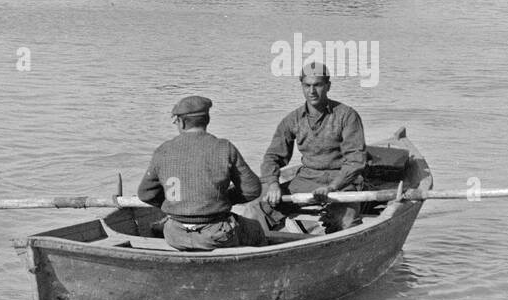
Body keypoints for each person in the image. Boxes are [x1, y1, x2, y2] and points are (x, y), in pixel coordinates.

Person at [137, 96, 267, 251]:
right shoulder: (224, 148)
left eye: (176, 121)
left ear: (182, 122)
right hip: (216, 235)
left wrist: (176, 203)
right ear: (207, 120)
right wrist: (221, 199)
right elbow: (252, 190)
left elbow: (145, 194)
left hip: (175, 234)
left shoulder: (162, 150)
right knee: (256, 228)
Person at [260, 62, 366, 235]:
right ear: (301, 86)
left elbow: (355, 161)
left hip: (342, 182)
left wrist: (332, 187)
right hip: (306, 180)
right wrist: (272, 184)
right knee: (258, 210)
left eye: (318, 85)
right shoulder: (292, 119)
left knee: (347, 224)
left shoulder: (347, 115)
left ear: (328, 86)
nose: (312, 91)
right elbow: (272, 157)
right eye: (307, 85)